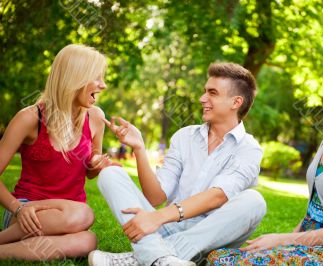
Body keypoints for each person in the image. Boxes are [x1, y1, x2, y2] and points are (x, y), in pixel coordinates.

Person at [207, 57, 323, 265]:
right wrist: (284, 246)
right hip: (308, 245)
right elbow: (313, 210)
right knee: (219, 259)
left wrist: (283, 240)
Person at [88, 63, 267, 266]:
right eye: (204, 91)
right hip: (166, 227)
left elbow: (217, 196)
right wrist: (139, 148)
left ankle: (145, 258)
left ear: (236, 102)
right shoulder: (184, 137)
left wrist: (157, 218)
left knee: (255, 201)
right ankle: (164, 260)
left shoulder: (249, 148)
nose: (202, 98)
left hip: (210, 236)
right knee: (110, 174)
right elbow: (156, 197)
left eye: (212, 93)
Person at [0, 44, 114, 261]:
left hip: (71, 220)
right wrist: (17, 209)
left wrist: (97, 163)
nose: (103, 85)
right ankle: (7, 237)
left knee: (88, 241)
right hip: (27, 214)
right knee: (84, 213)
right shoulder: (30, 118)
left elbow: (90, 167)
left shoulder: (96, 117)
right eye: (97, 77)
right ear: (76, 78)